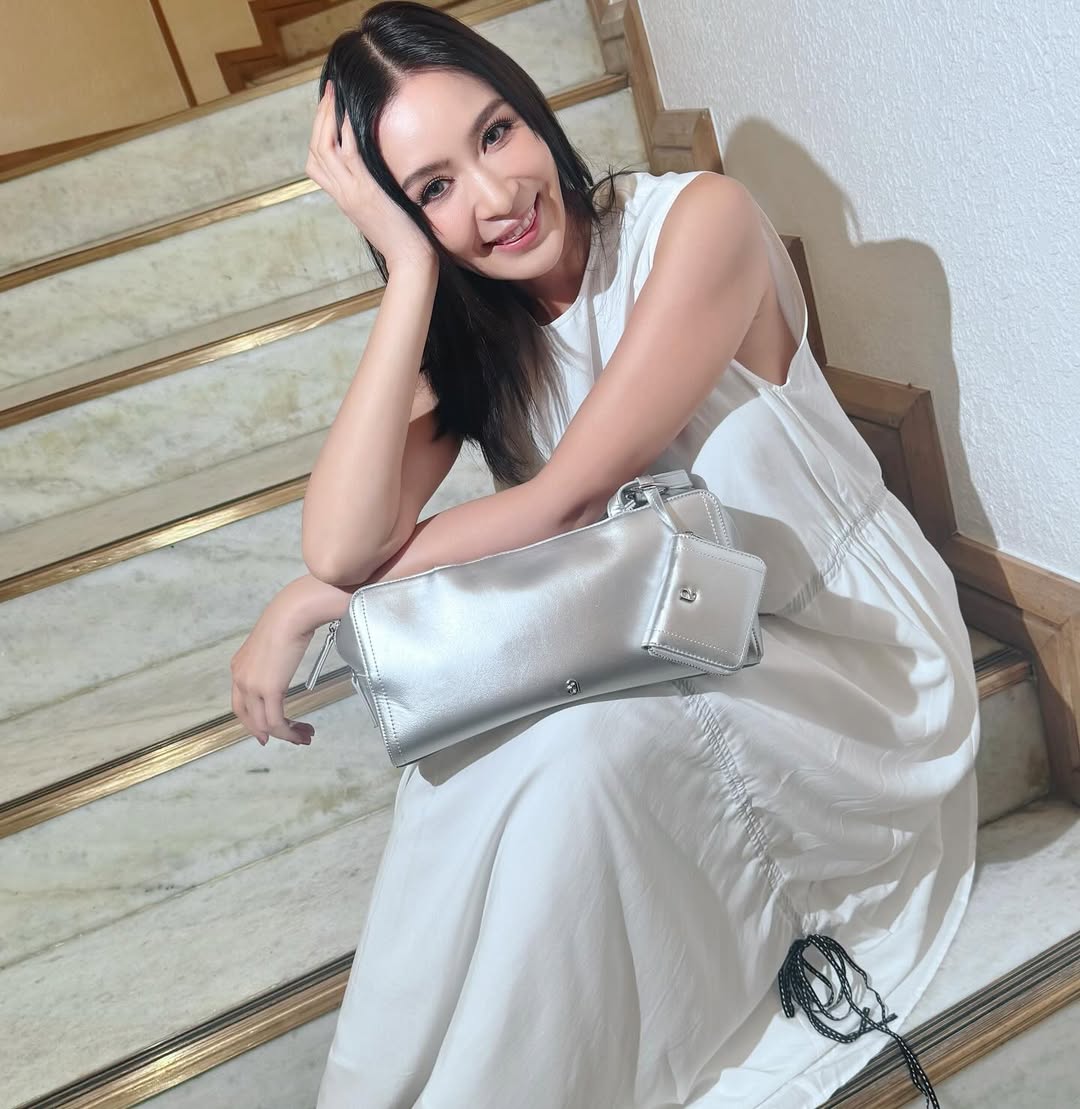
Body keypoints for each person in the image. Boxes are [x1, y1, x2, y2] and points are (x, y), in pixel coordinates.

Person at [229, 3, 979, 1106]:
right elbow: (341, 542)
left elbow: (572, 495)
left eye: (495, 133)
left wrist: (317, 601)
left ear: (532, 109)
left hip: (843, 646)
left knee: (580, 756)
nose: (495, 198)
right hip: (673, 642)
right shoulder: (484, 337)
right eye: (432, 189)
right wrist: (410, 276)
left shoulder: (700, 223)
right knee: (466, 766)